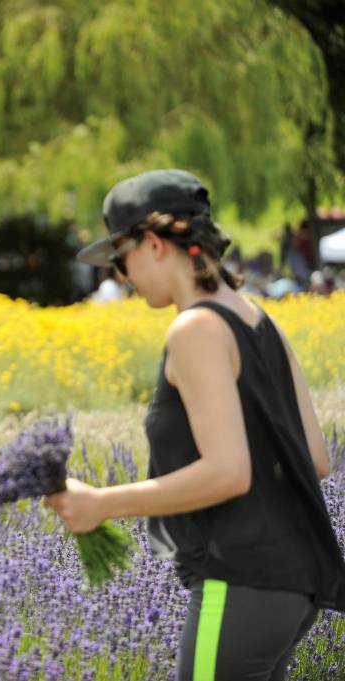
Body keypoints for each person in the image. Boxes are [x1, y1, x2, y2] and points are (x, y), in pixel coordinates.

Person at [45, 169, 345, 680]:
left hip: (241, 578)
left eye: (122, 258)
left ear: (156, 244)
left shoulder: (196, 328)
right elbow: (315, 459)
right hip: (295, 584)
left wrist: (101, 503)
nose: (121, 276)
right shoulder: (259, 319)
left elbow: (229, 472)